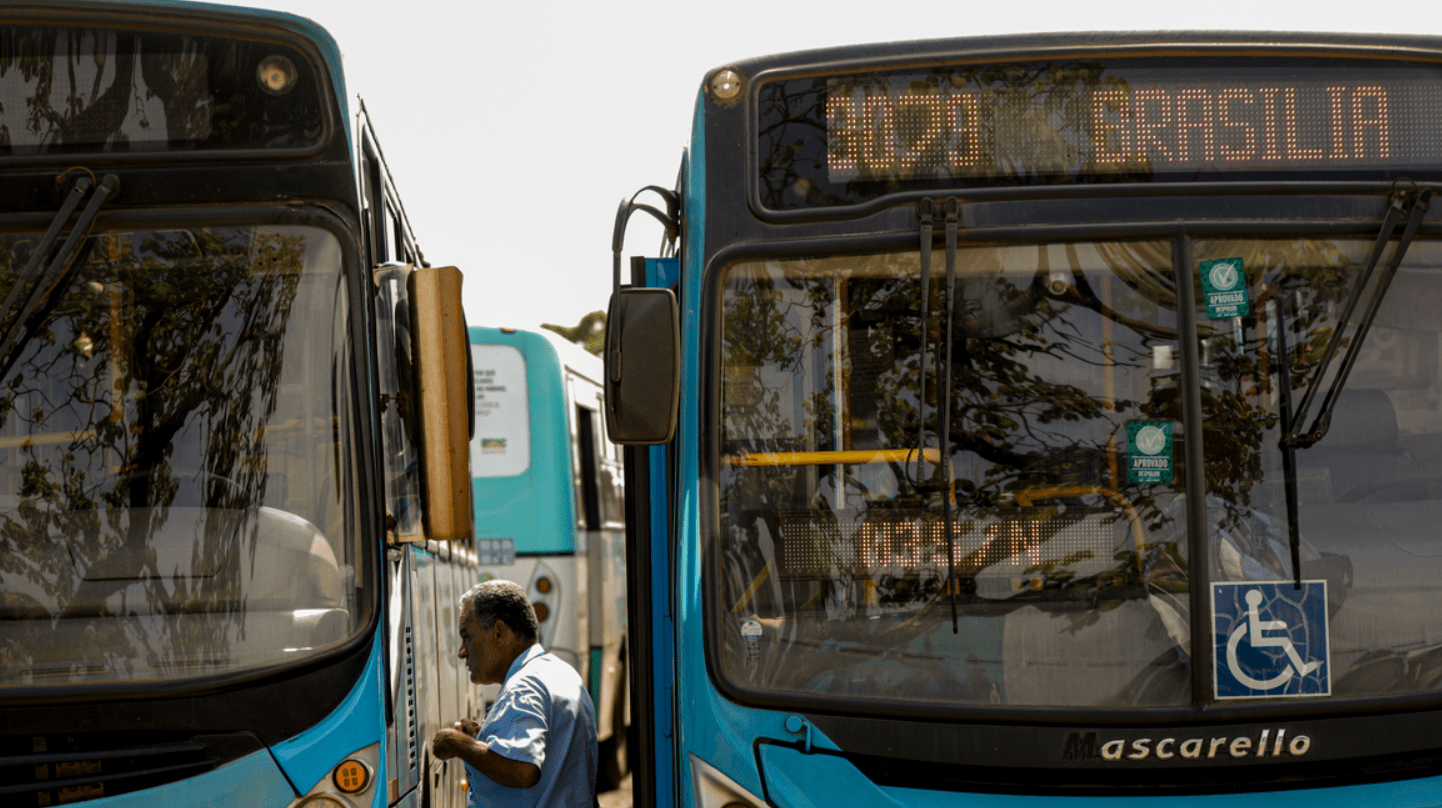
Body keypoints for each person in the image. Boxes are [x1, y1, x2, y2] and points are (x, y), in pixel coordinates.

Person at [432, 579, 599, 808]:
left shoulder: (524, 686)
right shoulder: (560, 672)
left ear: (499, 633)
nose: (462, 652)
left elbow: (523, 770)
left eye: (467, 636)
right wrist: (485, 740)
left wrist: (458, 744)